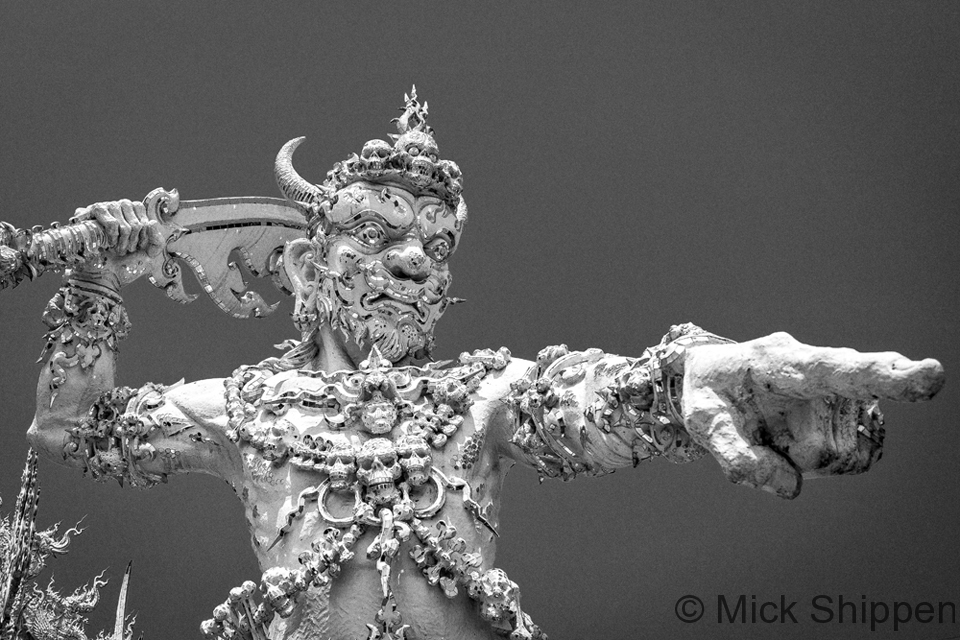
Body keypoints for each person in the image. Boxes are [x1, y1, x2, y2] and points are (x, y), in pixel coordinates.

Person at [26, 90, 945, 640]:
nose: (416, 261)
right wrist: (97, 281)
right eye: (378, 234)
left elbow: (588, 401)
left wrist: (684, 381)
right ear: (307, 267)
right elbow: (75, 431)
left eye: (436, 244)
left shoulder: (480, 401)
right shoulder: (245, 410)